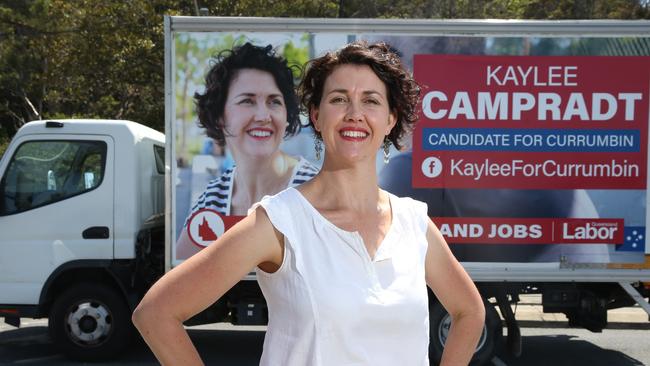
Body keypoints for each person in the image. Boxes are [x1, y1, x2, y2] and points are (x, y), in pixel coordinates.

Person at [133, 41, 485, 365]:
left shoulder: (413, 223)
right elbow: (156, 313)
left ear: (391, 119)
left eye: (371, 101)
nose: (354, 113)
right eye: (339, 99)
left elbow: (469, 312)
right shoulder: (279, 222)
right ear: (316, 116)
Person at [176, 43, 318, 259]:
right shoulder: (213, 197)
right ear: (220, 116)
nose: (263, 115)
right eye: (247, 101)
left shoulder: (316, 191)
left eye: (274, 102)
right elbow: (181, 270)